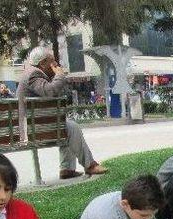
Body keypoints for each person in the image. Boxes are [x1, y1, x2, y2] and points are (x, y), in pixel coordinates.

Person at [17, 46, 108, 180]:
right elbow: (50, 91)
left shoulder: (33, 73)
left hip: (35, 125)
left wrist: (56, 76)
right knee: (72, 128)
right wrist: (59, 75)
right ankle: (89, 165)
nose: (55, 64)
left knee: (66, 126)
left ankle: (67, 169)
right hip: (32, 129)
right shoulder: (34, 74)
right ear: (42, 63)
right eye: (51, 61)